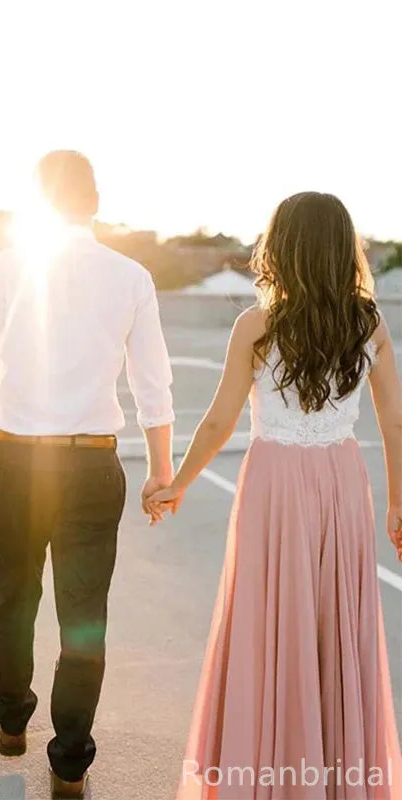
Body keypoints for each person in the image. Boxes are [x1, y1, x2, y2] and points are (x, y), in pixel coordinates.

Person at [149, 192, 402, 799]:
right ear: (345, 250)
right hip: (342, 481)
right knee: (335, 625)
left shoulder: (257, 325)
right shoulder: (366, 322)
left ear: (280, 249)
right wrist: (399, 503)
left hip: (273, 484)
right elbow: (394, 421)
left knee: (269, 621)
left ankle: (269, 771)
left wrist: (175, 485)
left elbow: (218, 422)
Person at [0, 151, 175, 798]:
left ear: (37, 202)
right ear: (94, 202)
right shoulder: (131, 276)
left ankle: (13, 719)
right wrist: (162, 474)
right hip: (91, 461)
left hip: (17, 460)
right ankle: (70, 758)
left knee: (14, 596)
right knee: (84, 613)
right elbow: (153, 387)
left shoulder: (4, 268)